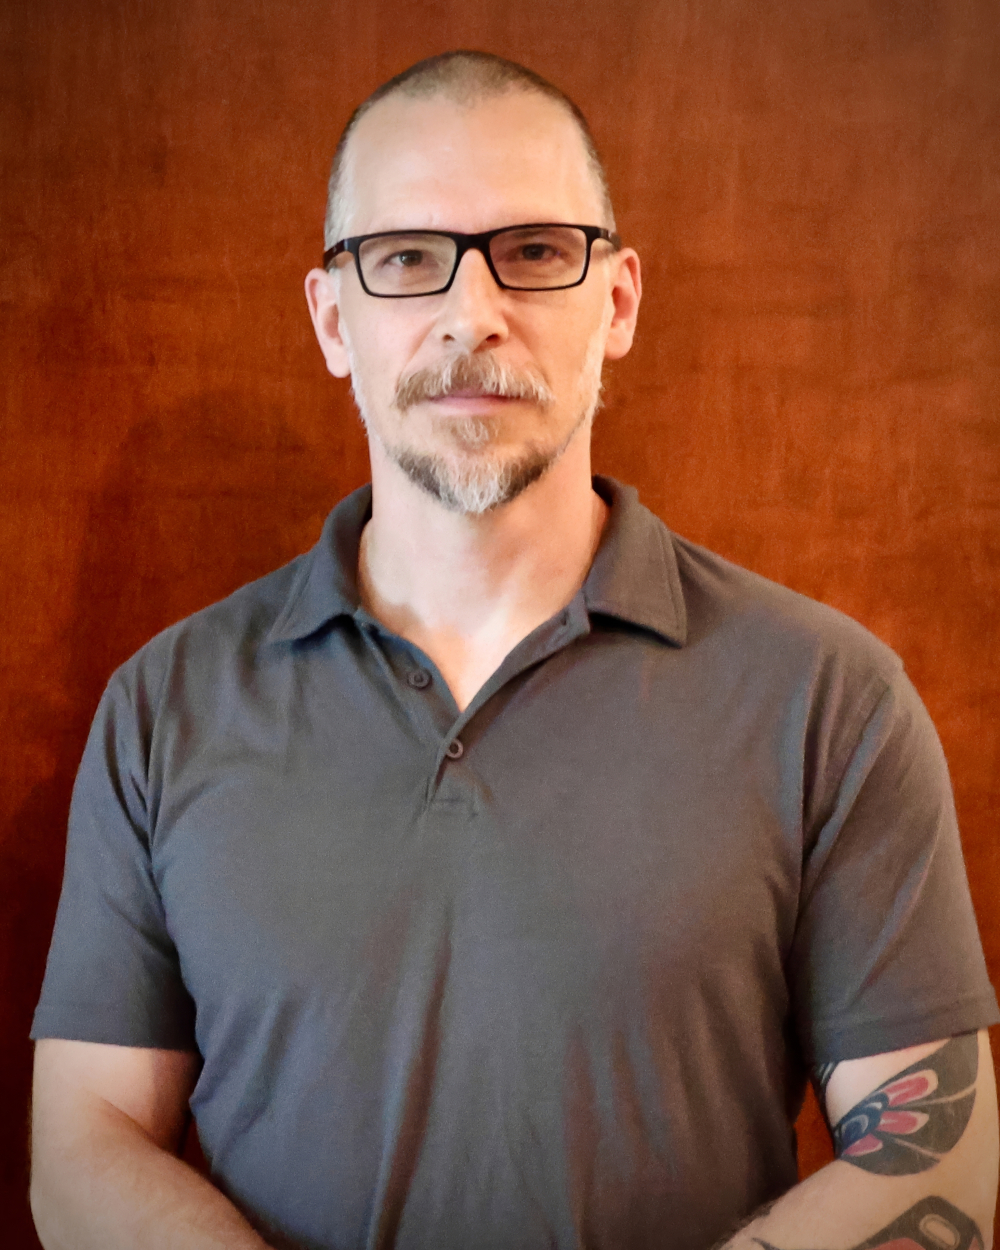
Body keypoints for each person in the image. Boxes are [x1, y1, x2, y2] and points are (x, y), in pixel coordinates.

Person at [29, 50, 999, 1250]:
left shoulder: (828, 699)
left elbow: (933, 1162)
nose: (471, 312)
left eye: (535, 251)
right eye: (405, 258)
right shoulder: (164, 706)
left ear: (619, 302)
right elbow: (83, 1145)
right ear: (333, 320)